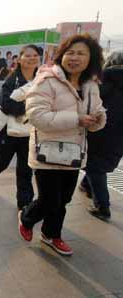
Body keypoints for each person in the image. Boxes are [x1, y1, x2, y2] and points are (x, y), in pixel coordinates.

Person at [18, 34, 106, 256]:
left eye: (81, 53)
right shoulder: (47, 80)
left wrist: (97, 119)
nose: (74, 58)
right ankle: (26, 218)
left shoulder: (91, 85)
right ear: (61, 55)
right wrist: (77, 119)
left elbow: (95, 117)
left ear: (91, 58)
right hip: (46, 152)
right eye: (70, 52)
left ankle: (51, 235)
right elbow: (37, 115)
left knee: (63, 200)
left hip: (74, 153)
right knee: (49, 199)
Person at [0, 45, 40, 210]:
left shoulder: (41, 80)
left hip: (30, 134)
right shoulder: (12, 79)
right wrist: (28, 110)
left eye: (35, 55)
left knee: (25, 169)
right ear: (20, 59)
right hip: (9, 133)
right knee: (1, 163)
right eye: (27, 55)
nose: (31, 58)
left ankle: (24, 204)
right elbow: (4, 104)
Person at [78, 49, 123, 221]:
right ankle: (86, 186)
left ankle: (102, 207)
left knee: (95, 167)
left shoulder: (102, 80)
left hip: (100, 131)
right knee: (99, 164)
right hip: (119, 136)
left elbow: (90, 104)